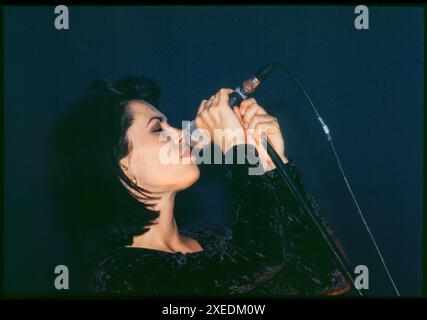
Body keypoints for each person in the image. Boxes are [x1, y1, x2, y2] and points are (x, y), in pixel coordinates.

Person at [51, 76, 351, 296]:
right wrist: (239, 152)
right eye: (158, 129)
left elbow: (330, 276)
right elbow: (259, 259)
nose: (180, 134)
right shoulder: (119, 276)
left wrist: (273, 164)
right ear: (120, 164)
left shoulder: (216, 242)